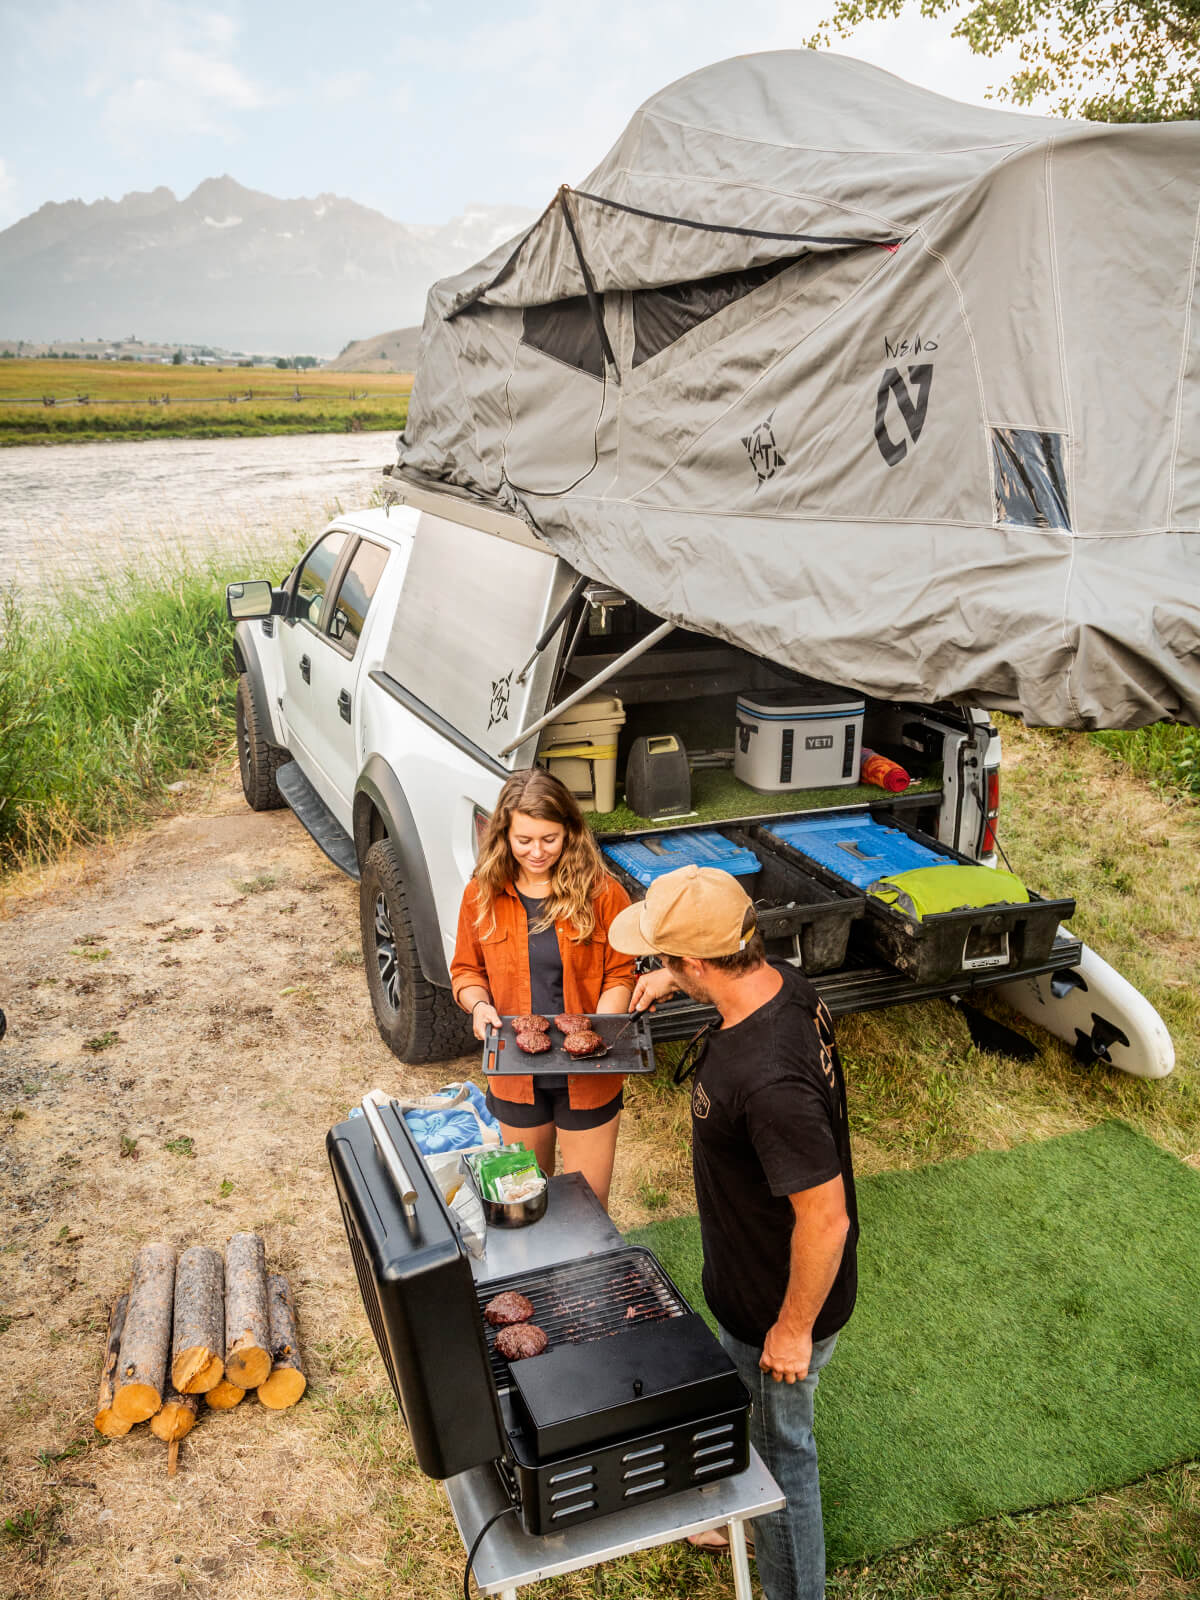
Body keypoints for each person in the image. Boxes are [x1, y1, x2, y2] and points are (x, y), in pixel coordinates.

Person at [611, 863, 858, 1600]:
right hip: (748, 1281)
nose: (651, 965)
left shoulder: (770, 1082)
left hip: (778, 1307)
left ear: (696, 960)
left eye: (661, 957)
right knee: (751, 1427)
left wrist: (791, 1329)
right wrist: (671, 985)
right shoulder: (776, 981)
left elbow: (827, 1216)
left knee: (785, 1464)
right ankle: (734, 1517)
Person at [451, 768, 635, 1210]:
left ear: (570, 831)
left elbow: (620, 972)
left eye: (549, 839)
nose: (536, 852)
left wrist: (602, 1031)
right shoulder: (481, 894)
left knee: (586, 1208)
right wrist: (478, 1006)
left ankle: (583, 1280)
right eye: (524, 840)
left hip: (589, 1079)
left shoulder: (603, 894)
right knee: (525, 1204)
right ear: (504, 834)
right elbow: (465, 971)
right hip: (516, 1076)